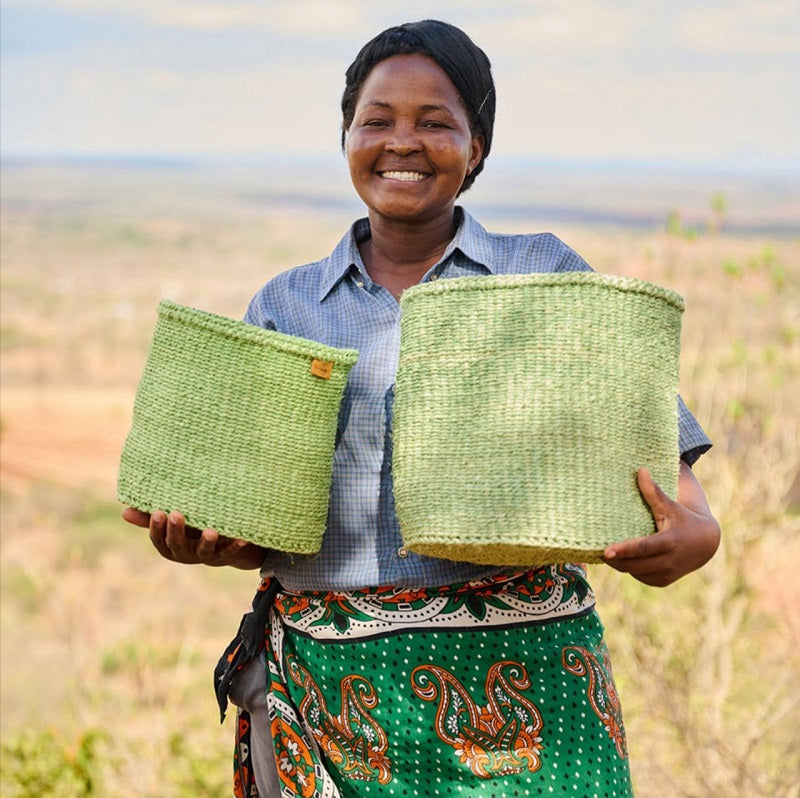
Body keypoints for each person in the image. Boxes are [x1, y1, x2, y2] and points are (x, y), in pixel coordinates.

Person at [123, 19, 720, 798]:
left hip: (532, 693)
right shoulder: (286, 303)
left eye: (436, 123)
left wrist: (698, 532)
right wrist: (213, 541)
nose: (402, 141)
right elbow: (258, 518)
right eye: (377, 120)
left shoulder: (541, 270)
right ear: (346, 138)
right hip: (334, 696)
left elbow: (646, 441)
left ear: (477, 149)